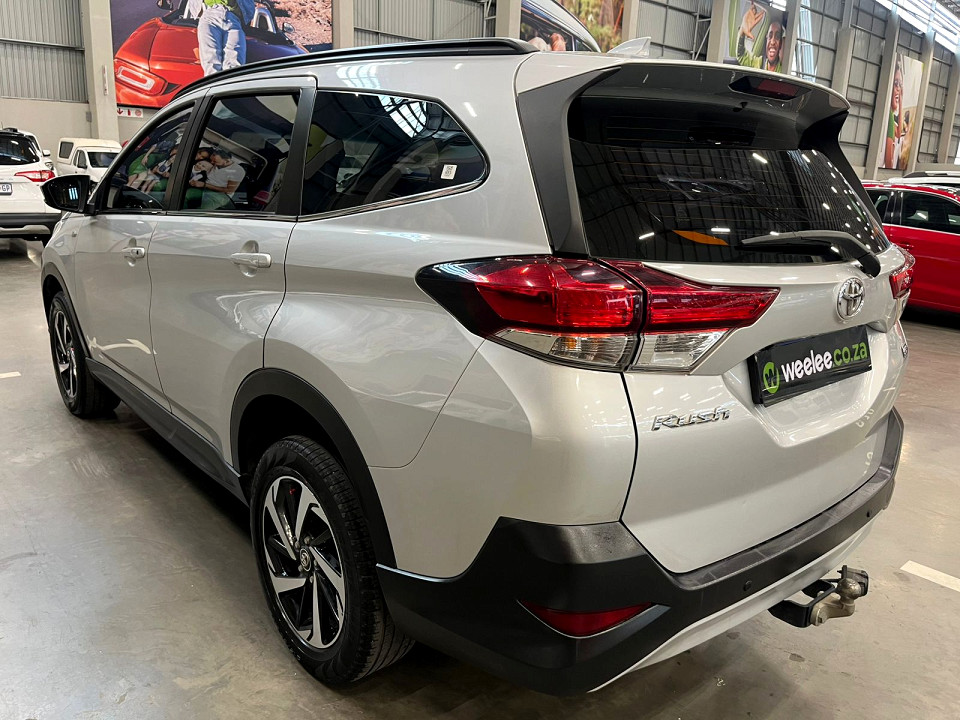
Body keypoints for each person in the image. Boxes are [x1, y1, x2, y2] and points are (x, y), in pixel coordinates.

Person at [187, 0, 256, 77]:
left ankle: (229, 84)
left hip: (234, 20)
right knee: (211, 63)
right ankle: (215, 83)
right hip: (210, 16)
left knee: (234, 64)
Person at [736, 3, 784, 73]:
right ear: (766, 39)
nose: (772, 42)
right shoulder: (759, 63)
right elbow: (741, 56)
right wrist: (742, 31)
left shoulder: (783, 69)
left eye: (777, 37)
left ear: (781, 44)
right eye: (770, 36)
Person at [885, 56, 907, 170]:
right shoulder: (888, 117)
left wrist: (901, 100)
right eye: (895, 83)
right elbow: (889, 163)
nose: (898, 88)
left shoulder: (891, 116)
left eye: (900, 85)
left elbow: (898, 133)